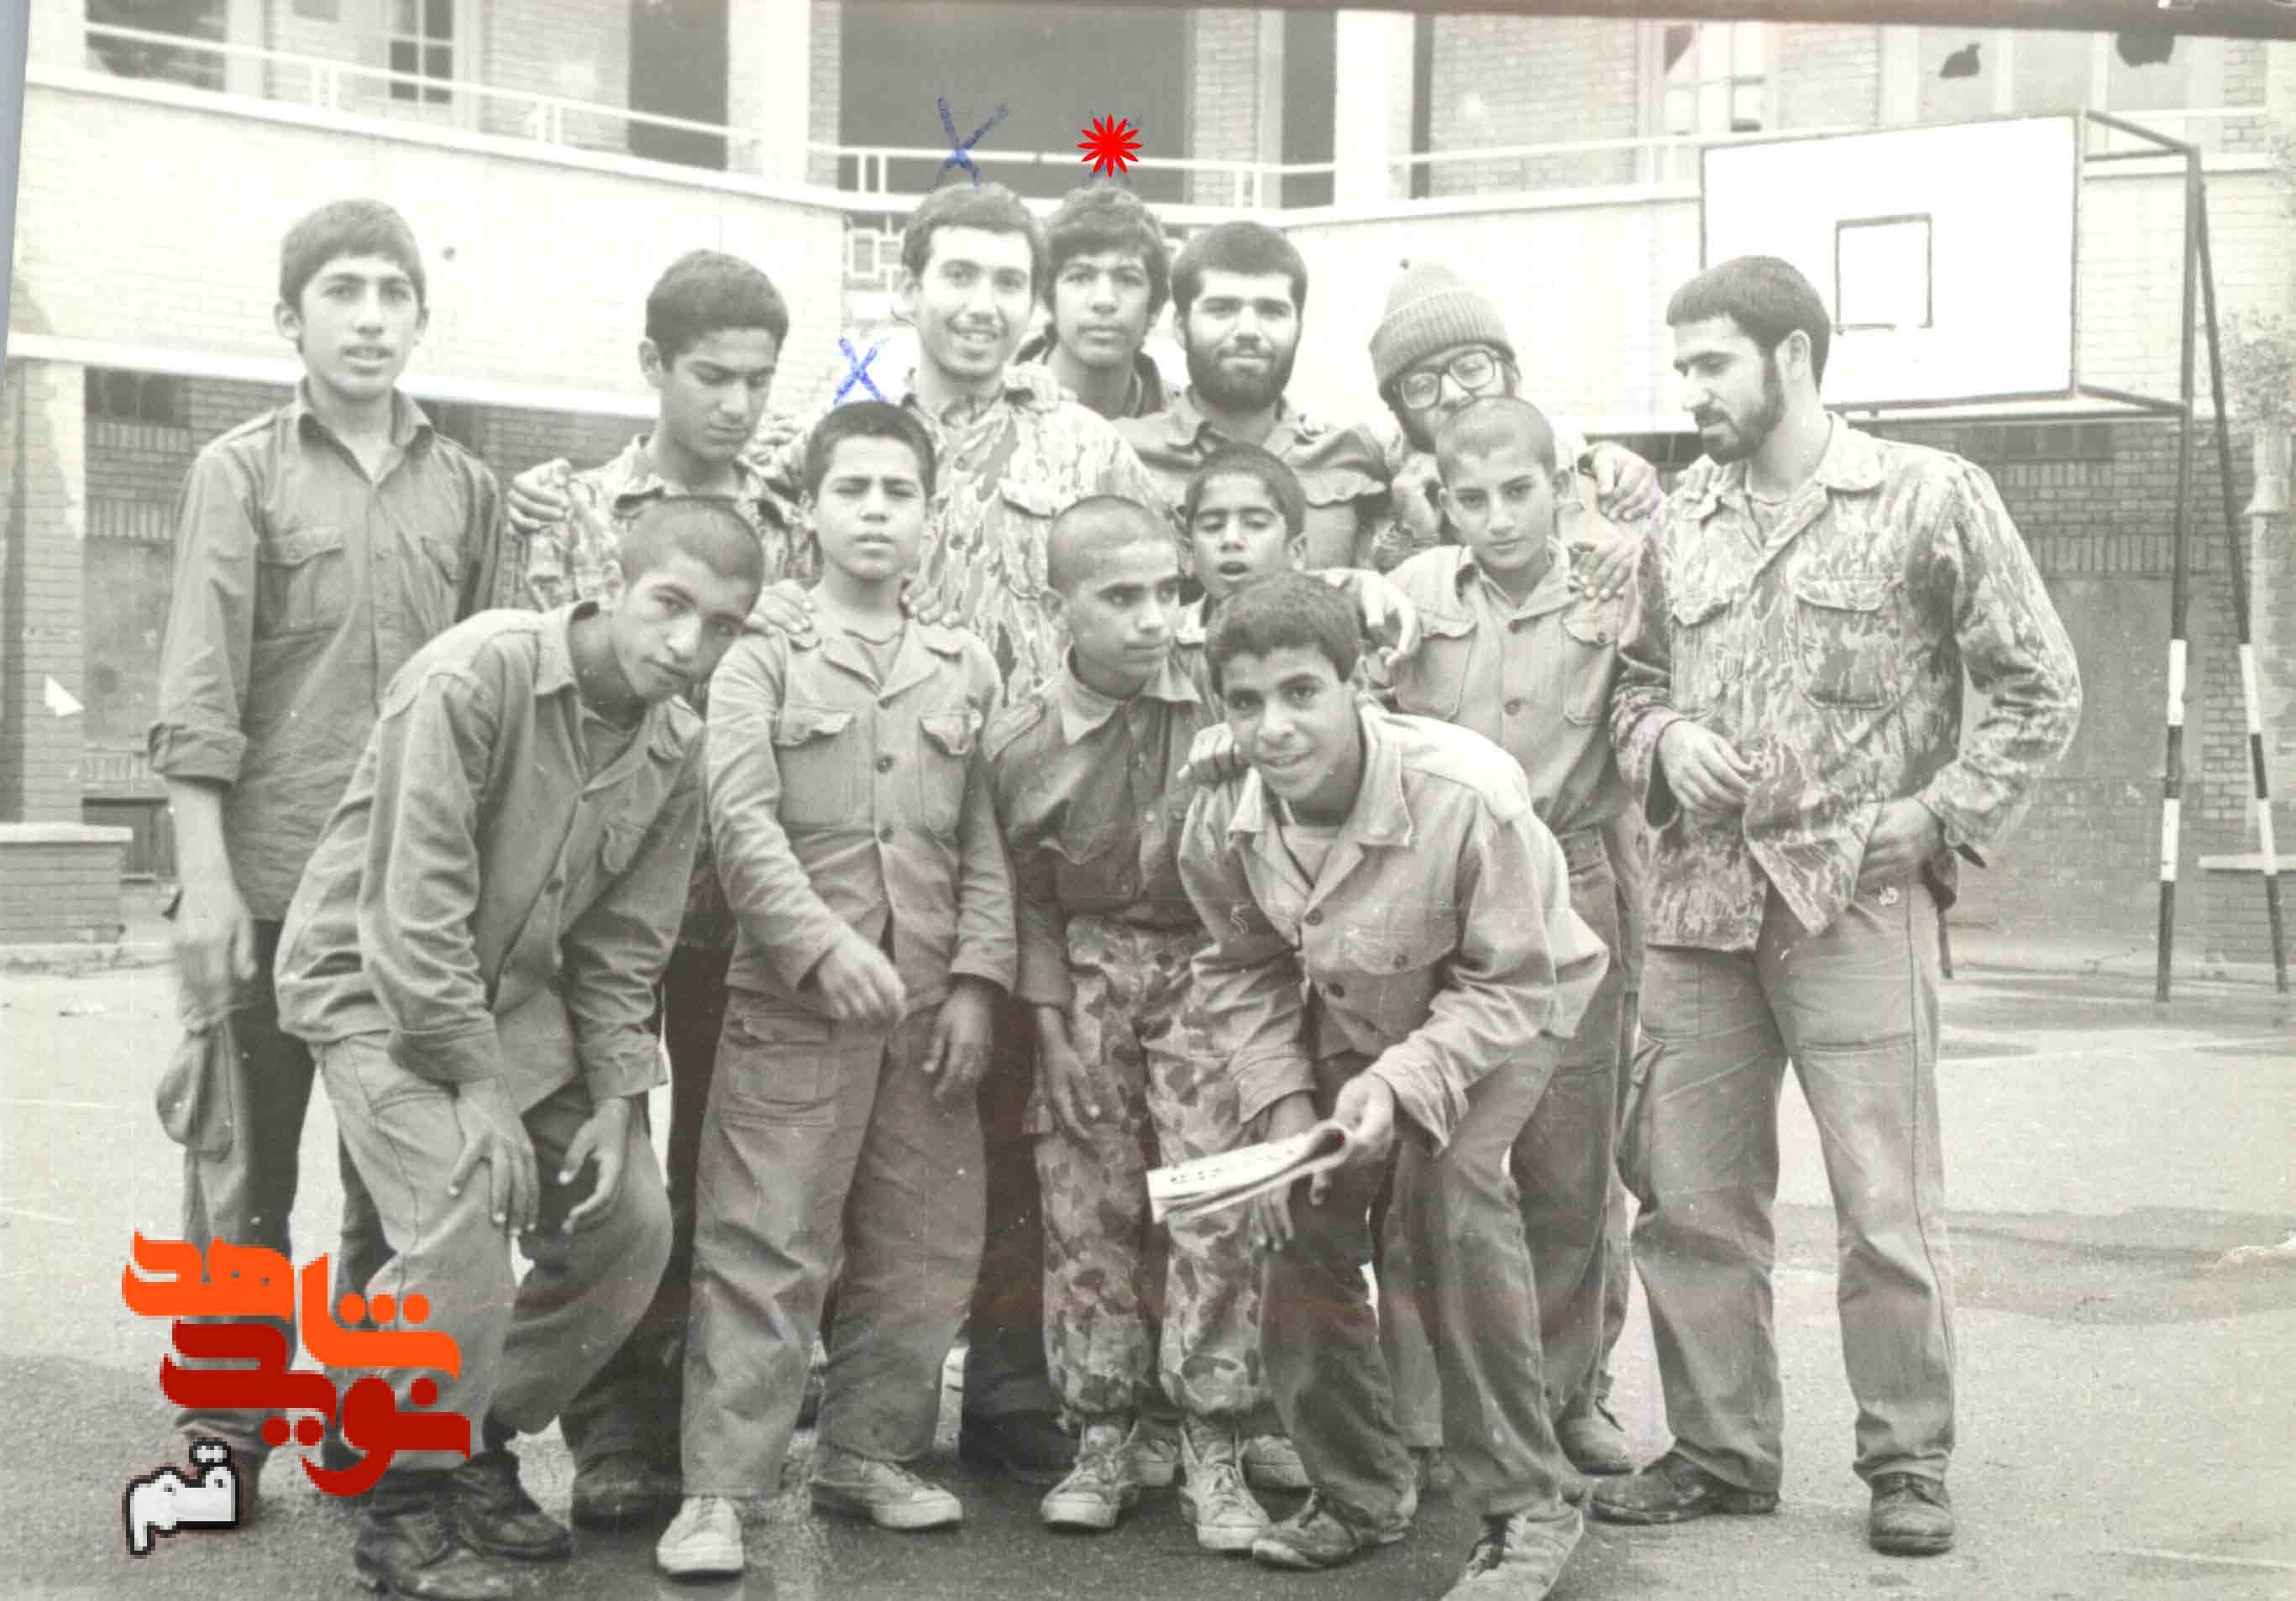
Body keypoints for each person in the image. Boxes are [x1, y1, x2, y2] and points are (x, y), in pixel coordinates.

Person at [1595, 255, 2080, 1558]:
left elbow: (2040, 684)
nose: (1690, 390)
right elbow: (1630, 684)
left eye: (1711, 364)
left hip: (1853, 902)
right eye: (1681, 366)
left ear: (1793, 355)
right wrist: (1665, 739)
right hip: (1698, 907)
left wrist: (1941, 813)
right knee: (1688, 1201)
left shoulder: (1927, 495)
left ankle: (1905, 1461)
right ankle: (1718, 1448)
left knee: (1883, 1203)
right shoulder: (1681, 515)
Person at [272, 497, 765, 1601]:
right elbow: (414, 910)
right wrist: (481, 1090)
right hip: (372, 981)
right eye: (669, 603)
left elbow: (623, 947)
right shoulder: (475, 672)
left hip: (515, 999)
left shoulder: (677, 743)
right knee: (463, 1202)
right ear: (612, 582)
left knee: (629, 1219)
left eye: (722, 625)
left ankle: (467, 1439)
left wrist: (616, 1101)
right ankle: (402, 1509)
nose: (687, 642)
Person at [144, 197, 510, 1511]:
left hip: (403, 907)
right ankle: (224, 1434)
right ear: (287, 319)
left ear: (421, 316)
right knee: (241, 1170)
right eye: (342, 291)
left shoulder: (467, 489)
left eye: (392, 293)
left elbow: (489, 703)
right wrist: (204, 882)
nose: (368, 317)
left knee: (389, 1176)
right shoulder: (238, 473)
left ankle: (366, 1421)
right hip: (263, 881)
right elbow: (198, 691)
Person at [1177, 573, 1611, 1598]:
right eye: (1246, 701)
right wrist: (1284, 1104)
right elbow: (1240, 967)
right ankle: (1360, 1489)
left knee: (1449, 1196)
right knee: (1291, 1202)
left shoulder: (1468, 790)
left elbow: (1512, 980)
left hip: (1504, 1008)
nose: (1274, 727)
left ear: (1360, 680)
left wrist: (1401, 1081)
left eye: (1301, 691)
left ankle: (1528, 1503)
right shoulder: (1220, 814)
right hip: (1361, 1008)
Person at [657, 403, 1014, 1576]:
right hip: (793, 1001)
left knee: (926, 1236)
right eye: (850, 488)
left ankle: (868, 1451)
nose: (874, 510)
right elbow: (740, 822)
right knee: (764, 1233)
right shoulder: (762, 654)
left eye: (897, 491)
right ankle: (718, 1488)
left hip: (929, 1011)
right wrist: (816, 946)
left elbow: (981, 838)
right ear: (807, 510)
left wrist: (976, 980)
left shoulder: (964, 662)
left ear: (929, 516)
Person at [515, 248, 796, 1531]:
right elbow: (544, 695)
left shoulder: (793, 512)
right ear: (653, 365)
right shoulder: (570, 508)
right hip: (600, 891)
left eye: (757, 380)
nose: (735, 403)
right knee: (599, 1158)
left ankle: (701, 1416)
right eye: (709, 375)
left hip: (739, 889)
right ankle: (608, 1420)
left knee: (715, 1164)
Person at [985, 495, 1275, 1551]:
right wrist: (1051, 1026)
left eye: (1168, 591)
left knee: (1214, 1193)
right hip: (1086, 971)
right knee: (1087, 1199)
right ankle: (1101, 1431)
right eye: (1120, 596)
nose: (1154, 618)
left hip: (1211, 958)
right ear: (1057, 604)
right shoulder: (1021, 742)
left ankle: (1211, 1435)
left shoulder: (1223, 694)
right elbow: (1021, 892)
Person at [1374, 396, 1643, 1488]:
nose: (1496, 517)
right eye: (1471, 497)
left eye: (1518, 491)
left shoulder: (1615, 585)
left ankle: (1562, 1396)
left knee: (1568, 1163)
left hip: (1568, 881)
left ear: (1559, 488)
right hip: (1436, 891)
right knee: (1429, 1155)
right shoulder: (1409, 593)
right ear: (1441, 500)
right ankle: (1429, 1412)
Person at [1114, 221, 1394, 571]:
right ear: (1181, 329)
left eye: (1271, 311)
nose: (1248, 331)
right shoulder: (1120, 453)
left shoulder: (1353, 454)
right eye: (1222, 309)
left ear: (1298, 329)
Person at [1365, 259, 1659, 576]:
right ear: (1400, 413)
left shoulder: (1594, 485)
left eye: (1471, 368)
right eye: (1421, 385)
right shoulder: (1370, 503)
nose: (1452, 394)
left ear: (1512, 378)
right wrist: (1413, 537)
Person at [1012, 182, 1174, 421]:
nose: (1104, 300)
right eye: (1080, 277)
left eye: (1128, 279)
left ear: (1156, 307)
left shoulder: (1184, 422)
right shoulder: (988, 403)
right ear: (1047, 298)